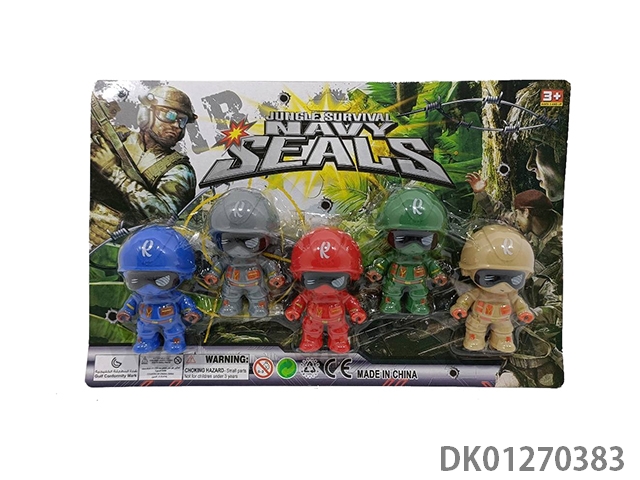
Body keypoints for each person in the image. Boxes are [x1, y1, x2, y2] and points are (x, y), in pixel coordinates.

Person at [90, 85, 198, 249]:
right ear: (146, 114)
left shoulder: (179, 170)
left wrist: (115, 173)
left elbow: (165, 220)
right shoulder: (117, 137)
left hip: (132, 250)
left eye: (182, 120)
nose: (176, 125)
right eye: (169, 115)